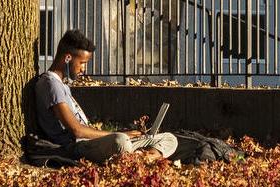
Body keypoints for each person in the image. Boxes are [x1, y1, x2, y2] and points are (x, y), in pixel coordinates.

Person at [34, 30, 177, 164]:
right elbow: (77, 130)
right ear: (67, 58)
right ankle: (137, 157)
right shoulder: (51, 84)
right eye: (82, 63)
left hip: (93, 143)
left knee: (170, 138)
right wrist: (117, 133)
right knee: (120, 140)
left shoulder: (62, 84)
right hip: (78, 147)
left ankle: (144, 157)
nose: (83, 69)